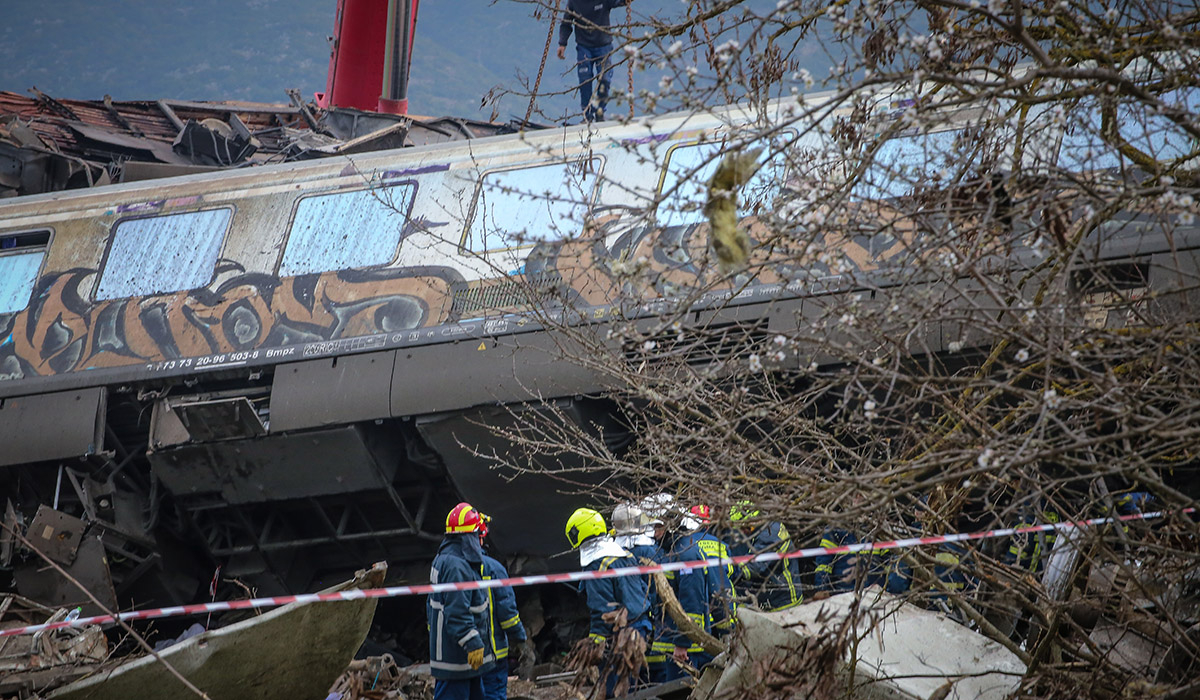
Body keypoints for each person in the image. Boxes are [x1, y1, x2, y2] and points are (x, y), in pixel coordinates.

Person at [565, 507, 651, 697]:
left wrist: (596, 642)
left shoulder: (597, 565)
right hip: (641, 627)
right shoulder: (624, 554)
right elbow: (644, 589)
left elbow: (601, 609)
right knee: (638, 688)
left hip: (619, 636)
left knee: (614, 689)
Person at [428, 502, 494, 700]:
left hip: (461, 661)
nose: (482, 542)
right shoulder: (457, 566)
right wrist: (473, 643)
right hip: (456, 659)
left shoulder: (449, 558)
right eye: (480, 537)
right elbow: (457, 613)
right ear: (470, 536)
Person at [611, 503, 672, 683]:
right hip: (649, 616)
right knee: (653, 669)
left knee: (627, 673)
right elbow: (659, 586)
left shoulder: (613, 551)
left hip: (622, 619)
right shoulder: (649, 550)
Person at [478, 512, 528, 700]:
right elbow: (507, 613)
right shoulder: (493, 568)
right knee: (492, 694)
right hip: (492, 653)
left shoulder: (448, 568)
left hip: (460, 656)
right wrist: (520, 640)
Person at [557, 0, 631, 122]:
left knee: (605, 80)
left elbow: (620, 1)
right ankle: (587, 114)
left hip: (604, 46)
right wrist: (562, 43)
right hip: (584, 46)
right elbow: (566, 23)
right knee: (585, 80)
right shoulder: (574, 3)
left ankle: (600, 111)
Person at [727, 502, 804, 612]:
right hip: (773, 592)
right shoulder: (769, 525)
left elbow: (753, 567)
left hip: (783, 600)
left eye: (744, 527)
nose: (742, 531)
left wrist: (727, 569)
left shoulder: (769, 535)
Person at [684, 505, 738, 636]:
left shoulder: (685, 545)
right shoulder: (722, 545)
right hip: (725, 608)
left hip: (702, 614)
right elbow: (733, 572)